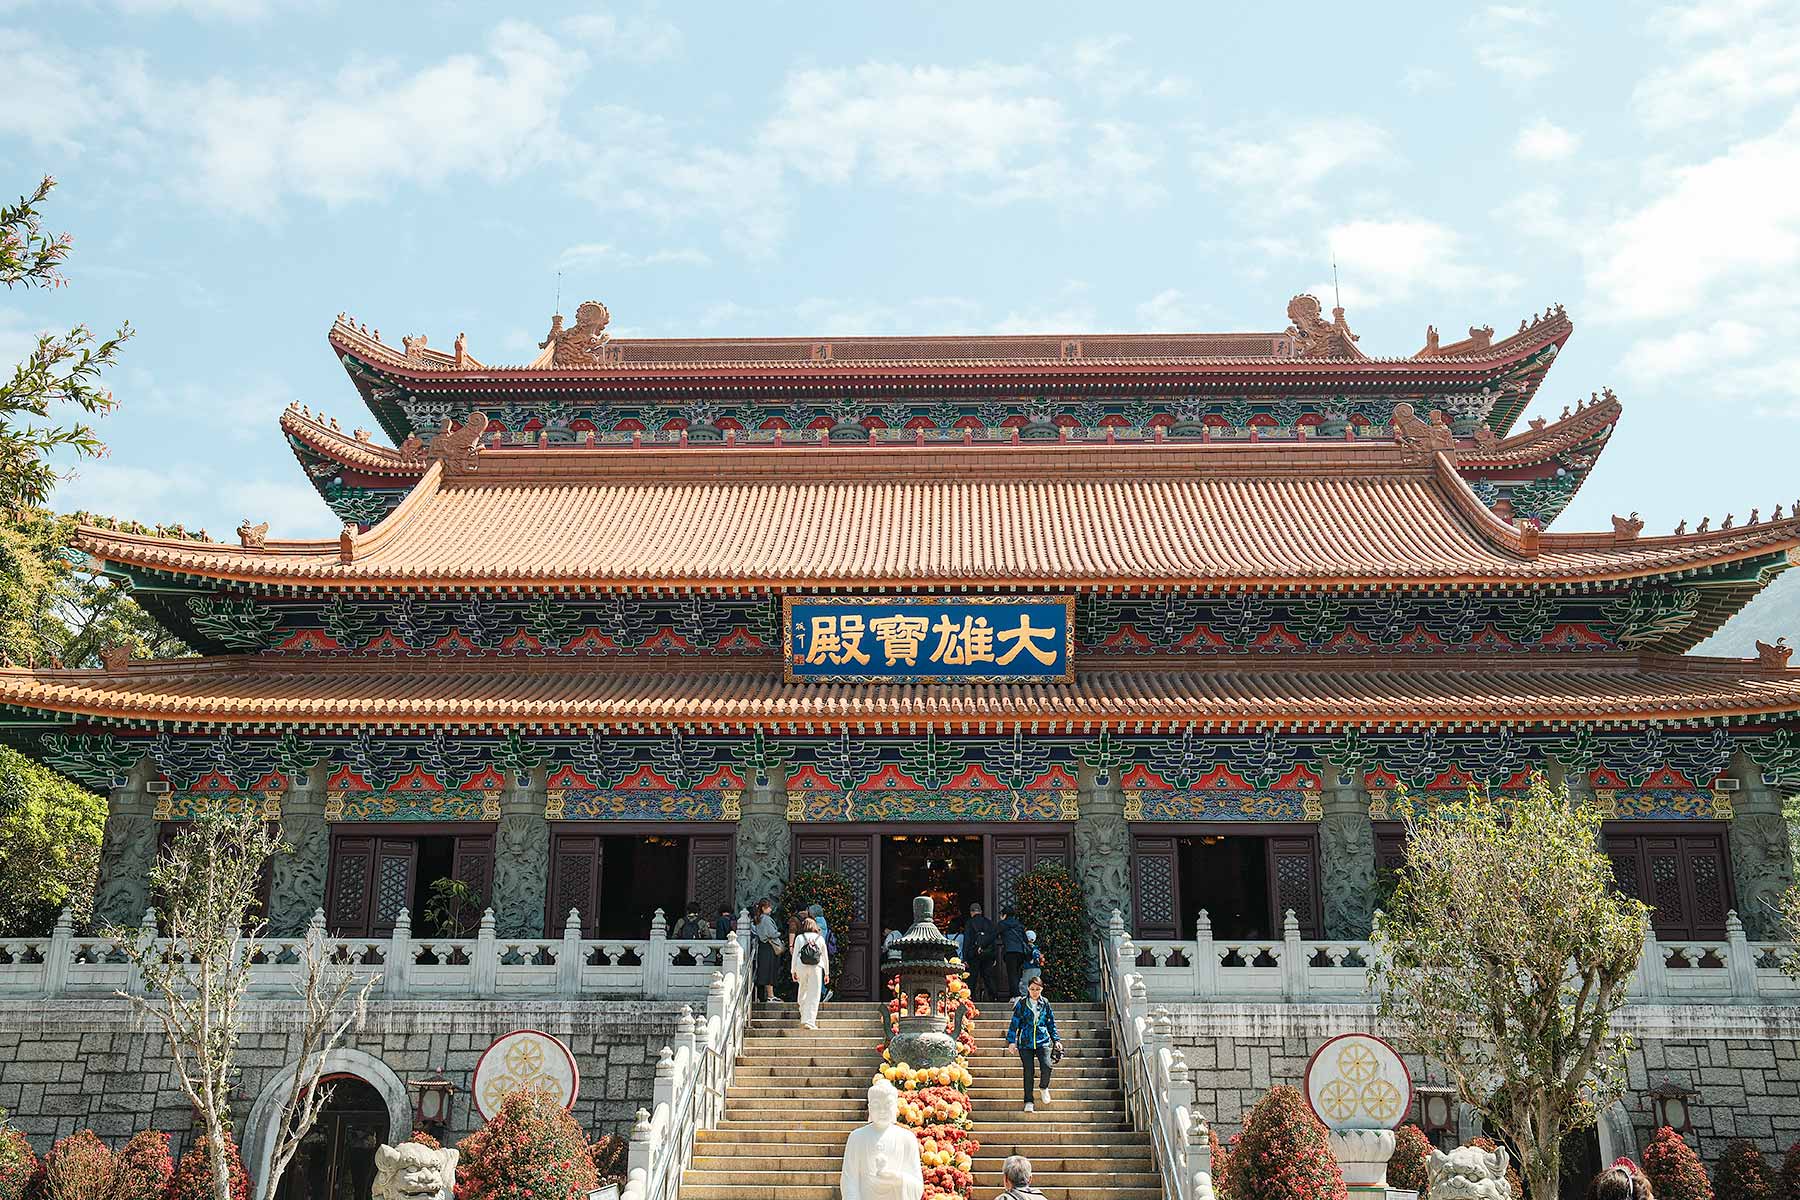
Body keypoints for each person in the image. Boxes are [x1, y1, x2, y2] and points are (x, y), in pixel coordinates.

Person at [1005, 976, 1061, 1112]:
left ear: (1041, 989)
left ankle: (1043, 1087)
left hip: (1043, 1041)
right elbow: (1014, 1023)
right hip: (1025, 1042)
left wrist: (1056, 1040)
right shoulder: (1022, 1003)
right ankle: (1028, 1101)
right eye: (1032, 989)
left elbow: (1051, 1023)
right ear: (1028, 989)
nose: (1035, 992)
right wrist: (1011, 1041)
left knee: (1047, 1066)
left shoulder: (1045, 1003)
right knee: (1028, 1072)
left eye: (1037, 989)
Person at [791, 916, 830, 1029]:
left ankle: (803, 1014)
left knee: (803, 990)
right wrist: (826, 973)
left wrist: (793, 970)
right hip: (816, 967)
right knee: (814, 994)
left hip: (801, 966)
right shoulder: (820, 938)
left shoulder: (799, 938)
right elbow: (825, 957)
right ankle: (810, 1021)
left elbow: (795, 955)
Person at [962, 903, 1000, 1001]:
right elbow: (993, 940)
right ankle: (994, 996)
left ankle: (970, 998)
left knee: (972, 977)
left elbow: (967, 941)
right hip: (987, 954)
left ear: (971, 912)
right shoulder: (989, 923)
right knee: (988, 976)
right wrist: (994, 956)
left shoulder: (970, 923)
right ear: (981, 911)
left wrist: (965, 958)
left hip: (973, 954)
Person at [751, 900, 782, 1003]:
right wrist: (778, 933)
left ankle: (767, 995)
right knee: (770, 970)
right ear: (763, 908)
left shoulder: (759, 919)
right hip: (769, 947)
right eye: (769, 907)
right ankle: (770, 995)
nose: (771, 909)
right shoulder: (766, 919)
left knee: (766, 970)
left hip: (764, 946)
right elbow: (772, 933)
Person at [998, 907, 1028, 997]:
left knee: (1012, 974)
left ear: (1005, 915)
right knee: (1017, 974)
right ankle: (1017, 994)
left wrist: (982, 945)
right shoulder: (1019, 925)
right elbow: (1025, 940)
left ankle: (1015, 995)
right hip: (1020, 952)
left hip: (1010, 952)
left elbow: (993, 935)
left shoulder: (1002, 924)